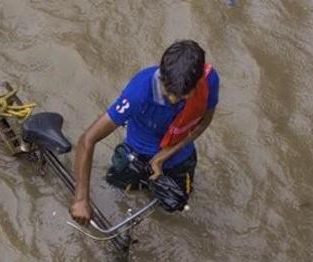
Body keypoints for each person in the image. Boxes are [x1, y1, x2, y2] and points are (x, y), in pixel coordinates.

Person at [70, 39, 220, 224]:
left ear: (198, 83)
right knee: (117, 194)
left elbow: (203, 122)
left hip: (179, 158)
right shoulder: (138, 93)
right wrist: (81, 198)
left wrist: (163, 157)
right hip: (136, 157)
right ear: (163, 76)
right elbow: (87, 139)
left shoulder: (210, 81)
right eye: (169, 92)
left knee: (175, 210)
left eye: (180, 95)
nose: (173, 99)